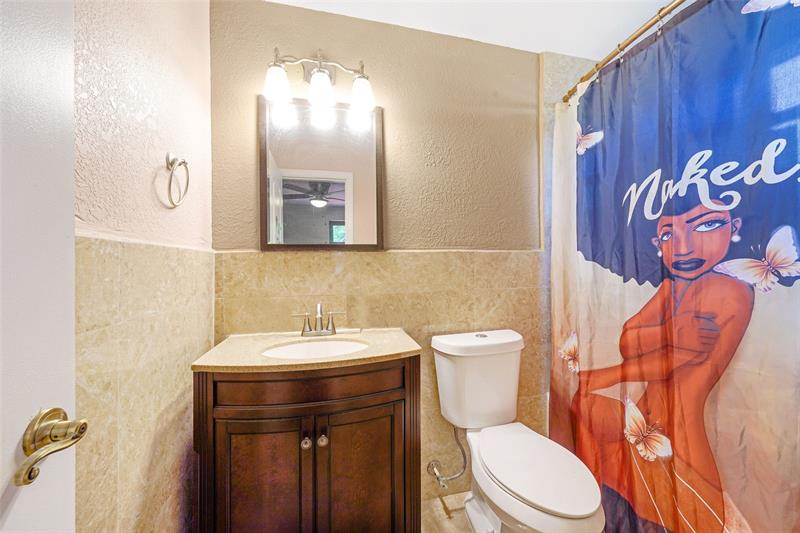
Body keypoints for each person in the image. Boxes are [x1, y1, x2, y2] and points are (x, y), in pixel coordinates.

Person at [571, 201, 754, 533]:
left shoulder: (729, 290)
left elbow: (675, 362)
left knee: (691, 522)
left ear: (736, 227)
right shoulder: (673, 287)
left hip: (679, 437)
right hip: (642, 424)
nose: (683, 247)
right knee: (583, 405)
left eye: (706, 225)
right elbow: (628, 341)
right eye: (669, 234)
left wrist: (607, 374)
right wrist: (672, 330)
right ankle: (586, 504)